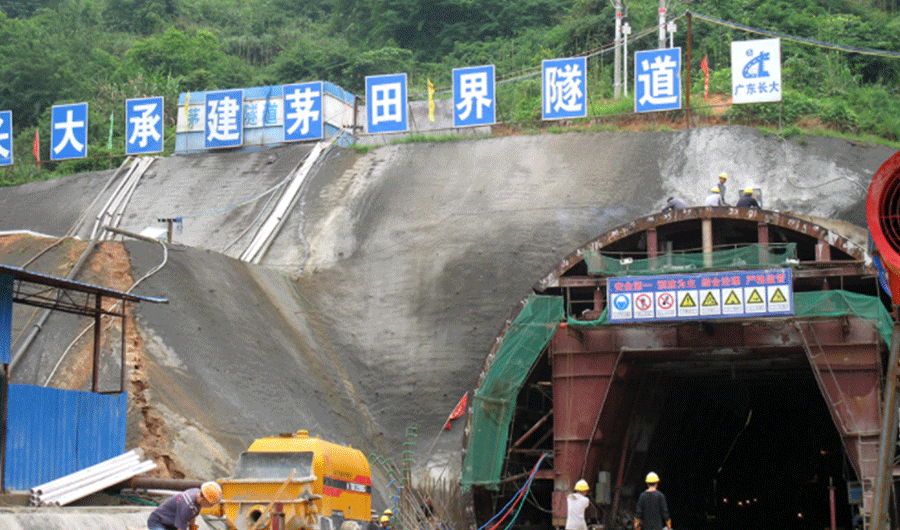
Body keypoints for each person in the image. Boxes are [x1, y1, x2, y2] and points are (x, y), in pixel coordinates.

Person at [147, 481, 223, 530]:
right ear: (204, 500)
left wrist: (192, 527)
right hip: (158, 522)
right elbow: (180, 527)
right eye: (210, 504)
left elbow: (193, 514)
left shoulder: (197, 493)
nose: (211, 506)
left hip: (170, 524)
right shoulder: (187, 505)